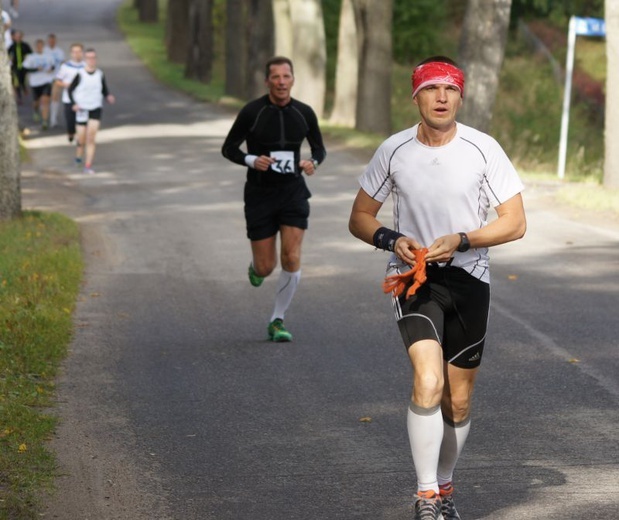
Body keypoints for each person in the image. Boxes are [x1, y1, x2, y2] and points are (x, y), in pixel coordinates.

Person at [348, 56, 526, 520]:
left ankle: (445, 484)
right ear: (416, 97)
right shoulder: (394, 150)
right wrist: (391, 239)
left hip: (470, 278)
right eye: (432, 89)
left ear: (460, 97)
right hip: (417, 279)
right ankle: (426, 496)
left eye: (450, 89)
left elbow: (515, 223)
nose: (442, 97)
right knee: (427, 379)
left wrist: (464, 239)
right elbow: (360, 218)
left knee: (458, 398)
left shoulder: (484, 149)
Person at [221, 56, 326, 342]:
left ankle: (277, 320)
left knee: (291, 256)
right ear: (267, 81)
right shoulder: (252, 112)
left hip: (293, 192)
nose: (281, 82)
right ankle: (256, 268)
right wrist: (252, 159)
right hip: (259, 195)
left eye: (286, 76)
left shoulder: (304, 113)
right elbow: (228, 148)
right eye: (275, 77)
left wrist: (312, 162)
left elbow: (319, 149)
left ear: (293, 79)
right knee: (266, 267)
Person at [67, 48, 115, 174]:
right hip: (82, 108)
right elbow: (70, 90)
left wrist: (108, 96)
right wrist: (74, 104)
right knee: (81, 138)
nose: (91, 60)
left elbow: (104, 88)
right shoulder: (80, 74)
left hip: (95, 107)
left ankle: (88, 165)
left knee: (91, 138)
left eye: (93, 58)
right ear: (85, 59)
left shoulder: (100, 74)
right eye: (89, 58)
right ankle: (78, 156)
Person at [21, 38, 55, 129]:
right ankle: (36, 110)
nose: (40, 48)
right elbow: (24, 69)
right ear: (36, 47)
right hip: (35, 82)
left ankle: (44, 121)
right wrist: (36, 69)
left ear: (43, 47)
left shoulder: (49, 56)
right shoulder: (31, 57)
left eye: (41, 46)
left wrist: (51, 69)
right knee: (36, 101)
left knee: (45, 101)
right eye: (38, 46)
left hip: (46, 81)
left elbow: (53, 66)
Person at [55, 42, 84, 142]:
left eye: (79, 51)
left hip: (82, 98)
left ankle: (80, 138)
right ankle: (71, 133)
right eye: (74, 52)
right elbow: (58, 81)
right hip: (68, 98)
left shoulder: (85, 66)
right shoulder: (66, 66)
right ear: (71, 53)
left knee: (82, 121)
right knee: (70, 121)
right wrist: (65, 85)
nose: (76, 54)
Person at [44, 33, 66, 128]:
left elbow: (62, 64)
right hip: (44, 77)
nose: (51, 42)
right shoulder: (44, 51)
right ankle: (44, 117)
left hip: (56, 77)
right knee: (45, 99)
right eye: (50, 40)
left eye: (53, 40)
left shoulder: (59, 52)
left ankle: (53, 119)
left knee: (55, 97)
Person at [7, 30, 32, 104]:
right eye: (16, 37)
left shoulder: (25, 45)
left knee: (23, 80)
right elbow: (8, 55)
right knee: (16, 82)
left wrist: (27, 58)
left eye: (19, 37)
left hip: (24, 66)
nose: (18, 38)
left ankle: (24, 88)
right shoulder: (12, 46)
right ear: (14, 37)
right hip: (15, 66)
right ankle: (19, 97)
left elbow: (31, 54)